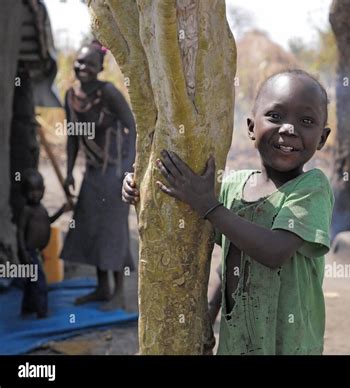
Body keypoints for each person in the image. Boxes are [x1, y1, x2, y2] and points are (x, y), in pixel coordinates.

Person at [122, 69, 334, 355]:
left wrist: (208, 205)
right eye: (275, 116)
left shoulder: (311, 187)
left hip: (288, 343)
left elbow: (275, 251)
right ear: (250, 127)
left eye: (306, 121)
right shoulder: (231, 186)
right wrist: (141, 189)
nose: (288, 129)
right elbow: (231, 264)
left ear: (321, 138)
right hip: (236, 342)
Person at [61, 41, 136, 310]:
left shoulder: (109, 93)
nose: (82, 68)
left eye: (89, 64)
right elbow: (72, 138)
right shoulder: (71, 96)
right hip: (92, 173)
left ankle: (119, 293)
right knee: (91, 229)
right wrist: (69, 173)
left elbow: (132, 127)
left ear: (100, 68)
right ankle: (102, 288)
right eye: (79, 63)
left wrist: (127, 169)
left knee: (113, 232)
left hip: (115, 173)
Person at [17, 169, 69, 318]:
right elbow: (20, 232)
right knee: (39, 283)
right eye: (31, 191)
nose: (35, 194)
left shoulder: (42, 209)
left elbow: (49, 221)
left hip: (38, 252)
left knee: (30, 282)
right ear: (24, 192)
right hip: (30, 253)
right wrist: (24, 252)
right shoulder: (27, 211)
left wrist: (61, 211)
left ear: (43, 191)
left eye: (38, 190)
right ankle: (42, 311)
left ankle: (28, 307)